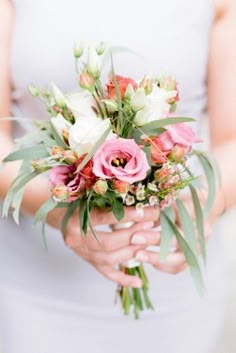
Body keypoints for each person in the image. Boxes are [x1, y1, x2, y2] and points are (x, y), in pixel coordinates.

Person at [0, 0, 235, 352]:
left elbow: (231, 140)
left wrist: (202, 208)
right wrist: (61, 215)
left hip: (173, 275)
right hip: (33, 280)